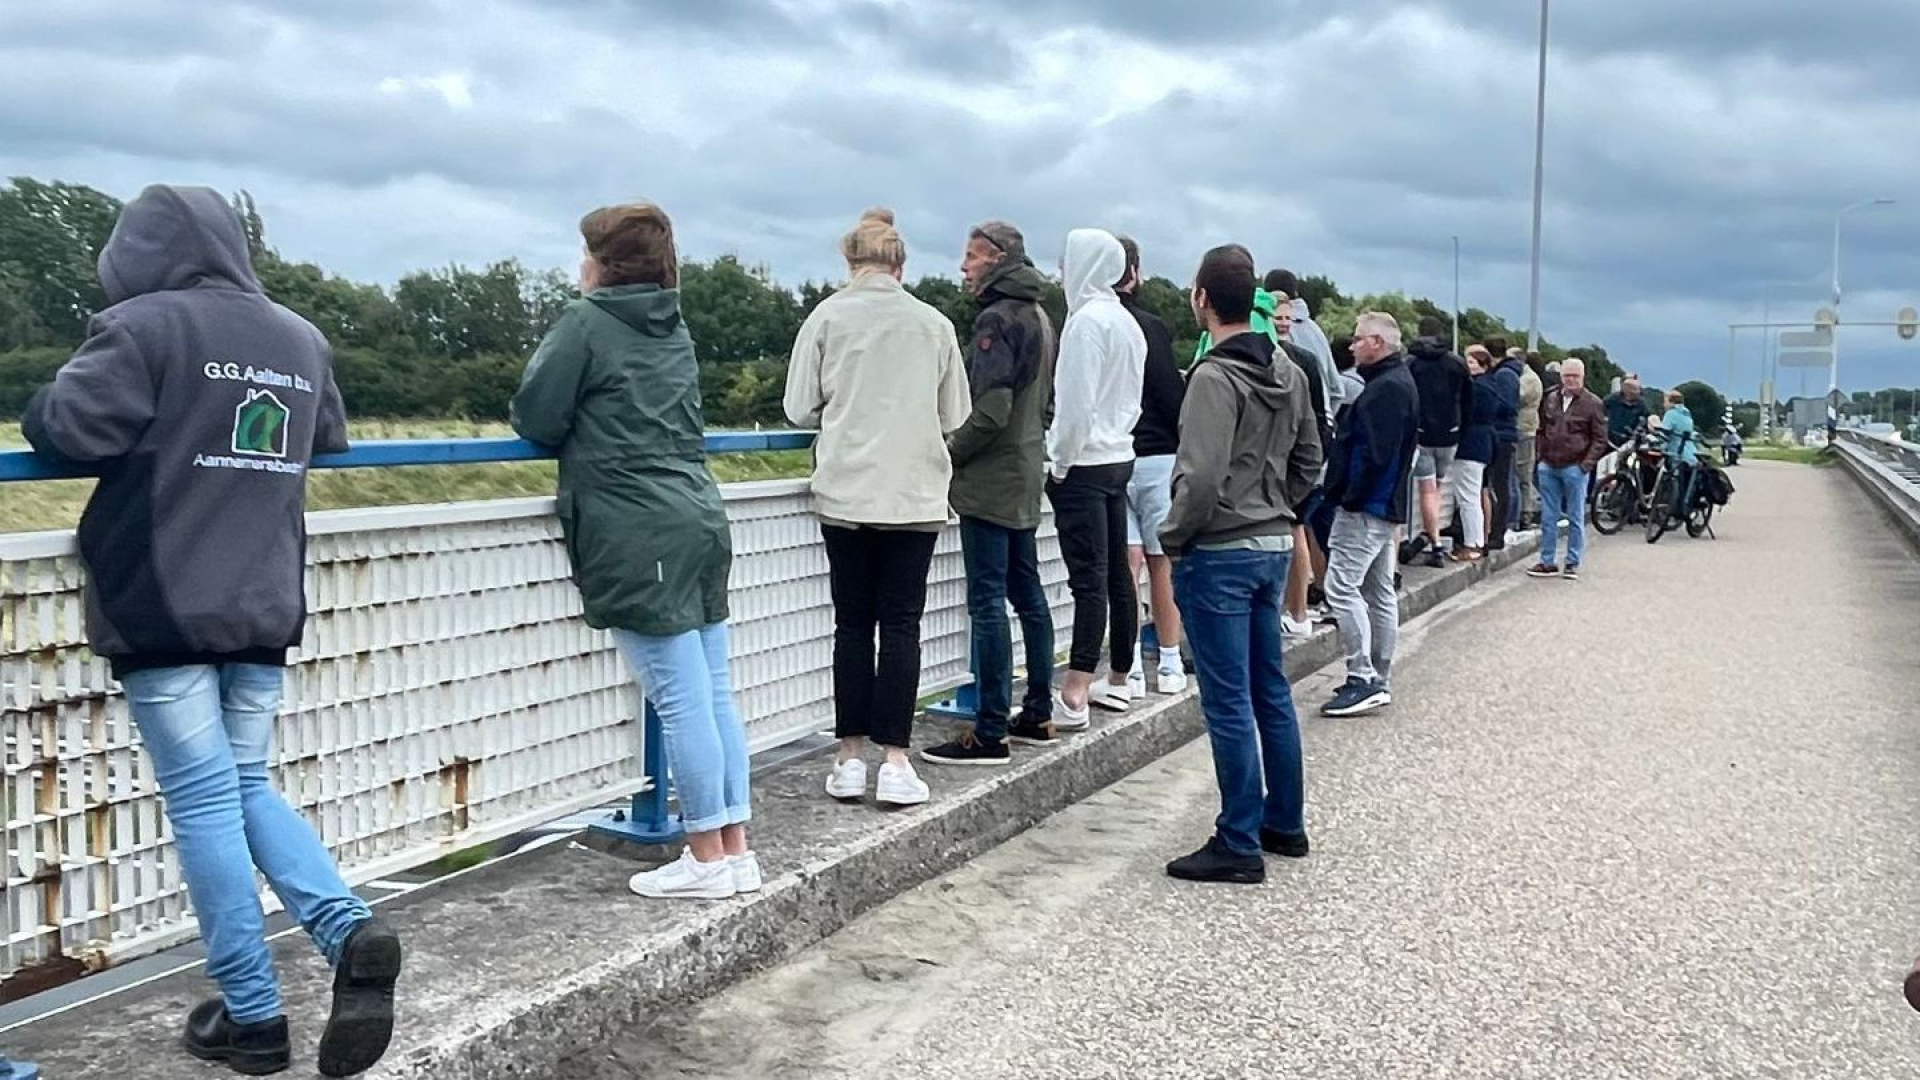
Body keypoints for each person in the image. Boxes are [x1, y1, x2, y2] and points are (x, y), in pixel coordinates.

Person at [23, 185, 399, 1077]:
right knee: (240, 784)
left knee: (202, 801)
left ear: (135, 252)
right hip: (262, 596)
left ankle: (255, 1016)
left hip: (165, 596)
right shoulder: (299, 335)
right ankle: (346, 931)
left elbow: (64, 427)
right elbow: (330, 438)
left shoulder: (142, 326)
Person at [517, 203, 757, 904]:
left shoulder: (587, 323)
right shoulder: (672, 323)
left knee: (682, 703)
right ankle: (735, 852)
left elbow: (536, 415)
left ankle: (706, 856)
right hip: (698, 516)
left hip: (636, 527)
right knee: (714, 695)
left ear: (601, 263)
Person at [782, 210, 970, 790]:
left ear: (850, 262)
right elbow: (956, 413)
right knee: (902, 626)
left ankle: (848, 757)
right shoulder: (934, 323)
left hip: (847, 490)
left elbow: (798, 408)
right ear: (901, 264)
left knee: (853, 624)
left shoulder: (827, 316)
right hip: (913, 495)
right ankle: (896, 760)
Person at [1160, 245, 1322, 884]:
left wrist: (1173, 535)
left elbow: (1198, 476)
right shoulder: (1288, 370)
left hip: (1221, 549)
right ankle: (1284, 821)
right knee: (1269, 690)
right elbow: (1311, 456)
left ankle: (1238, 839)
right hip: (1275, 543)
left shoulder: (1211, 377)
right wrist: (1281, 503)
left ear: (1201, 298)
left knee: (1227, 701)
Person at [923, 220, 1062, 764]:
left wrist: (947, 452)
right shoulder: (1042, 315)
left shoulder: (996, 320)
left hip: (991, 482)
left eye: (972, 256)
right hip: (1027, 470)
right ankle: (1039, 710)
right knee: (1027, 593)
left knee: (986, 601)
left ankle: (988, 730)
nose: (964, 267)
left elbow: (992, 409)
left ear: (998, 259)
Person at [1046, 229, 1147, 729]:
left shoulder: (1084, 324)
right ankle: (1120, 676)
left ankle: (1075, 691)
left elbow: (1074, 407)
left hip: (1084, 461)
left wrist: (1058, 462)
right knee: (1115, 574)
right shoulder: (1126, 322)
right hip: (1120, 454)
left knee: (1087, 578)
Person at [1319, 312, 1420, 717]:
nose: (1352, 345)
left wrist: (1347, 495)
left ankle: (1362, 676)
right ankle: (1379, 674)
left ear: (1377, 343)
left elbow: (1372, 454)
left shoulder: (1383, 391)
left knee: (1341, 587)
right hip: (1387, 506)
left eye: (1358, 339)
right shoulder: (1399, 383)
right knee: (1379, 591)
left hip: (1366, 506)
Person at [1113, 236, 1190, 699]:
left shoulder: (1084, 324)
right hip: (1157, 454)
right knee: (1162, 563)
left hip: (1107, 458)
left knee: (1125, 565)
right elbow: (1169, 393)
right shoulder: (1151, 327)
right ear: (1135, 273)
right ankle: (1169, 659)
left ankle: (1128, 668)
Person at [1271, 293, 1333, 638]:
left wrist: (1307, 466)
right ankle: (1295, 611)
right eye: (1277, 317)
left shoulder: (1302, 360)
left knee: (1295, 532)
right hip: (1290, 462)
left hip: (1291, 465)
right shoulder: (1302, 359)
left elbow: (1318, 415)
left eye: (1287, 318)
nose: (1282, 323)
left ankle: (1297, 611)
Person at [1527, 357, 1609, 581]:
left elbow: (1600, 439)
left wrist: (1585, 466)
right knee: (1548, 516)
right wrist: (1540, 457)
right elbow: (1542, 428)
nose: (1570, 380)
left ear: (1583, 377)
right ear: (1561, 376)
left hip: (1575, 466)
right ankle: (1547, 561)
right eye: (1566, 376)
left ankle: (1572, 562)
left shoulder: (1593, 403)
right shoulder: (1551, 398)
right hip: (1549, 465)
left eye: (1575, 376)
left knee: (1575, 516)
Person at [1404, 315, 1474, 567]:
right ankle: (1430, 536)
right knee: (1438, 487)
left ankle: (1433, 543)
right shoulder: (1457, 364)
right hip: (1449, 434)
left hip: (1421, 434)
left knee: (1426, 490)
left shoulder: (1410, 363)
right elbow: (1468, 401)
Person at [1264, 268, 1342, 420]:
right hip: (1323, 423)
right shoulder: (1316, 330)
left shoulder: (1274, 333)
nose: (1285, 323)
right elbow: (1336, 390)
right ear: (1297, 292)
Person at [1447, 346, 1500, 563]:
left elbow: (1466, 414)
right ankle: (1478, 540)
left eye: (1472, 362)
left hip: (1470, 445)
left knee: (1468, 497)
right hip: (1484, 442)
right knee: (1474, 494)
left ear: (1483, 365)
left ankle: (1473, 544)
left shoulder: (1476, 389)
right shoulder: (1491, 386)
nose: (1467, 366)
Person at [1484, 342, 1524, 550]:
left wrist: (1488, 404)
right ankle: (1497, 529)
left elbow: (1506, 405)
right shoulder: (1507, 373)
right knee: (1502, 484)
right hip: (1503, 433)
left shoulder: (1504, 375)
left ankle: (1498, 531)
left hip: (1502, 434)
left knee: (1501, 484)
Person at [1657, 389, 1700, 519]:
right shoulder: (1687, 414)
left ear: (1671, 402)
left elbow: (1664, 433)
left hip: (1676, 452)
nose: (1663, 404)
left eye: (1665, 401)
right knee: (1683, 482)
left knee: (1666, 477)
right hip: (1690, 454)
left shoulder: (1671, 414)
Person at [1515, 348, 1545, 528]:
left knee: (1523, 474)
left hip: (1524, 429)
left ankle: (1526, 512)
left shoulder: (1529, 380)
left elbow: (1516, 397)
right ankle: (1524, 510)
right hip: (1524, 428)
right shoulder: (1529, 377)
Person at [1606, 376, 1652, 447]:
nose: (1637, 392)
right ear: (1626, 389)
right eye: (1634, 389)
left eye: (1638, 390)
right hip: (1608, 440)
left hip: (1628, 444)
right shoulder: (1611, 400)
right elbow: (1600, 413)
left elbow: (1645, 424)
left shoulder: (1642, 406)